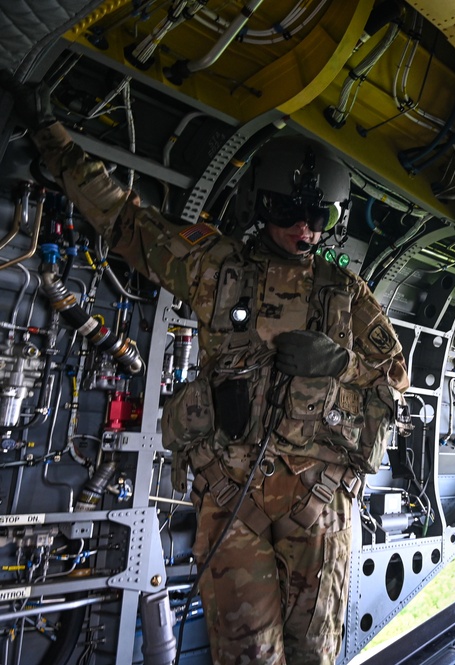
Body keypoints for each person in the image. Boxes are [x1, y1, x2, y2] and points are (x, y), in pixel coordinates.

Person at [1, 73, 410, 665]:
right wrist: (50, 137)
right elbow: (124, 220)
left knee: (314, 654)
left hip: (318, 501)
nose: (304, 228)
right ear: (260, 205)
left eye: (317, 215)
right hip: (232, 495)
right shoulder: (216, 268)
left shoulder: (345, 292)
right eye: (288, 210)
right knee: (244, 656)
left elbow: (395, 384)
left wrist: (340, 365)